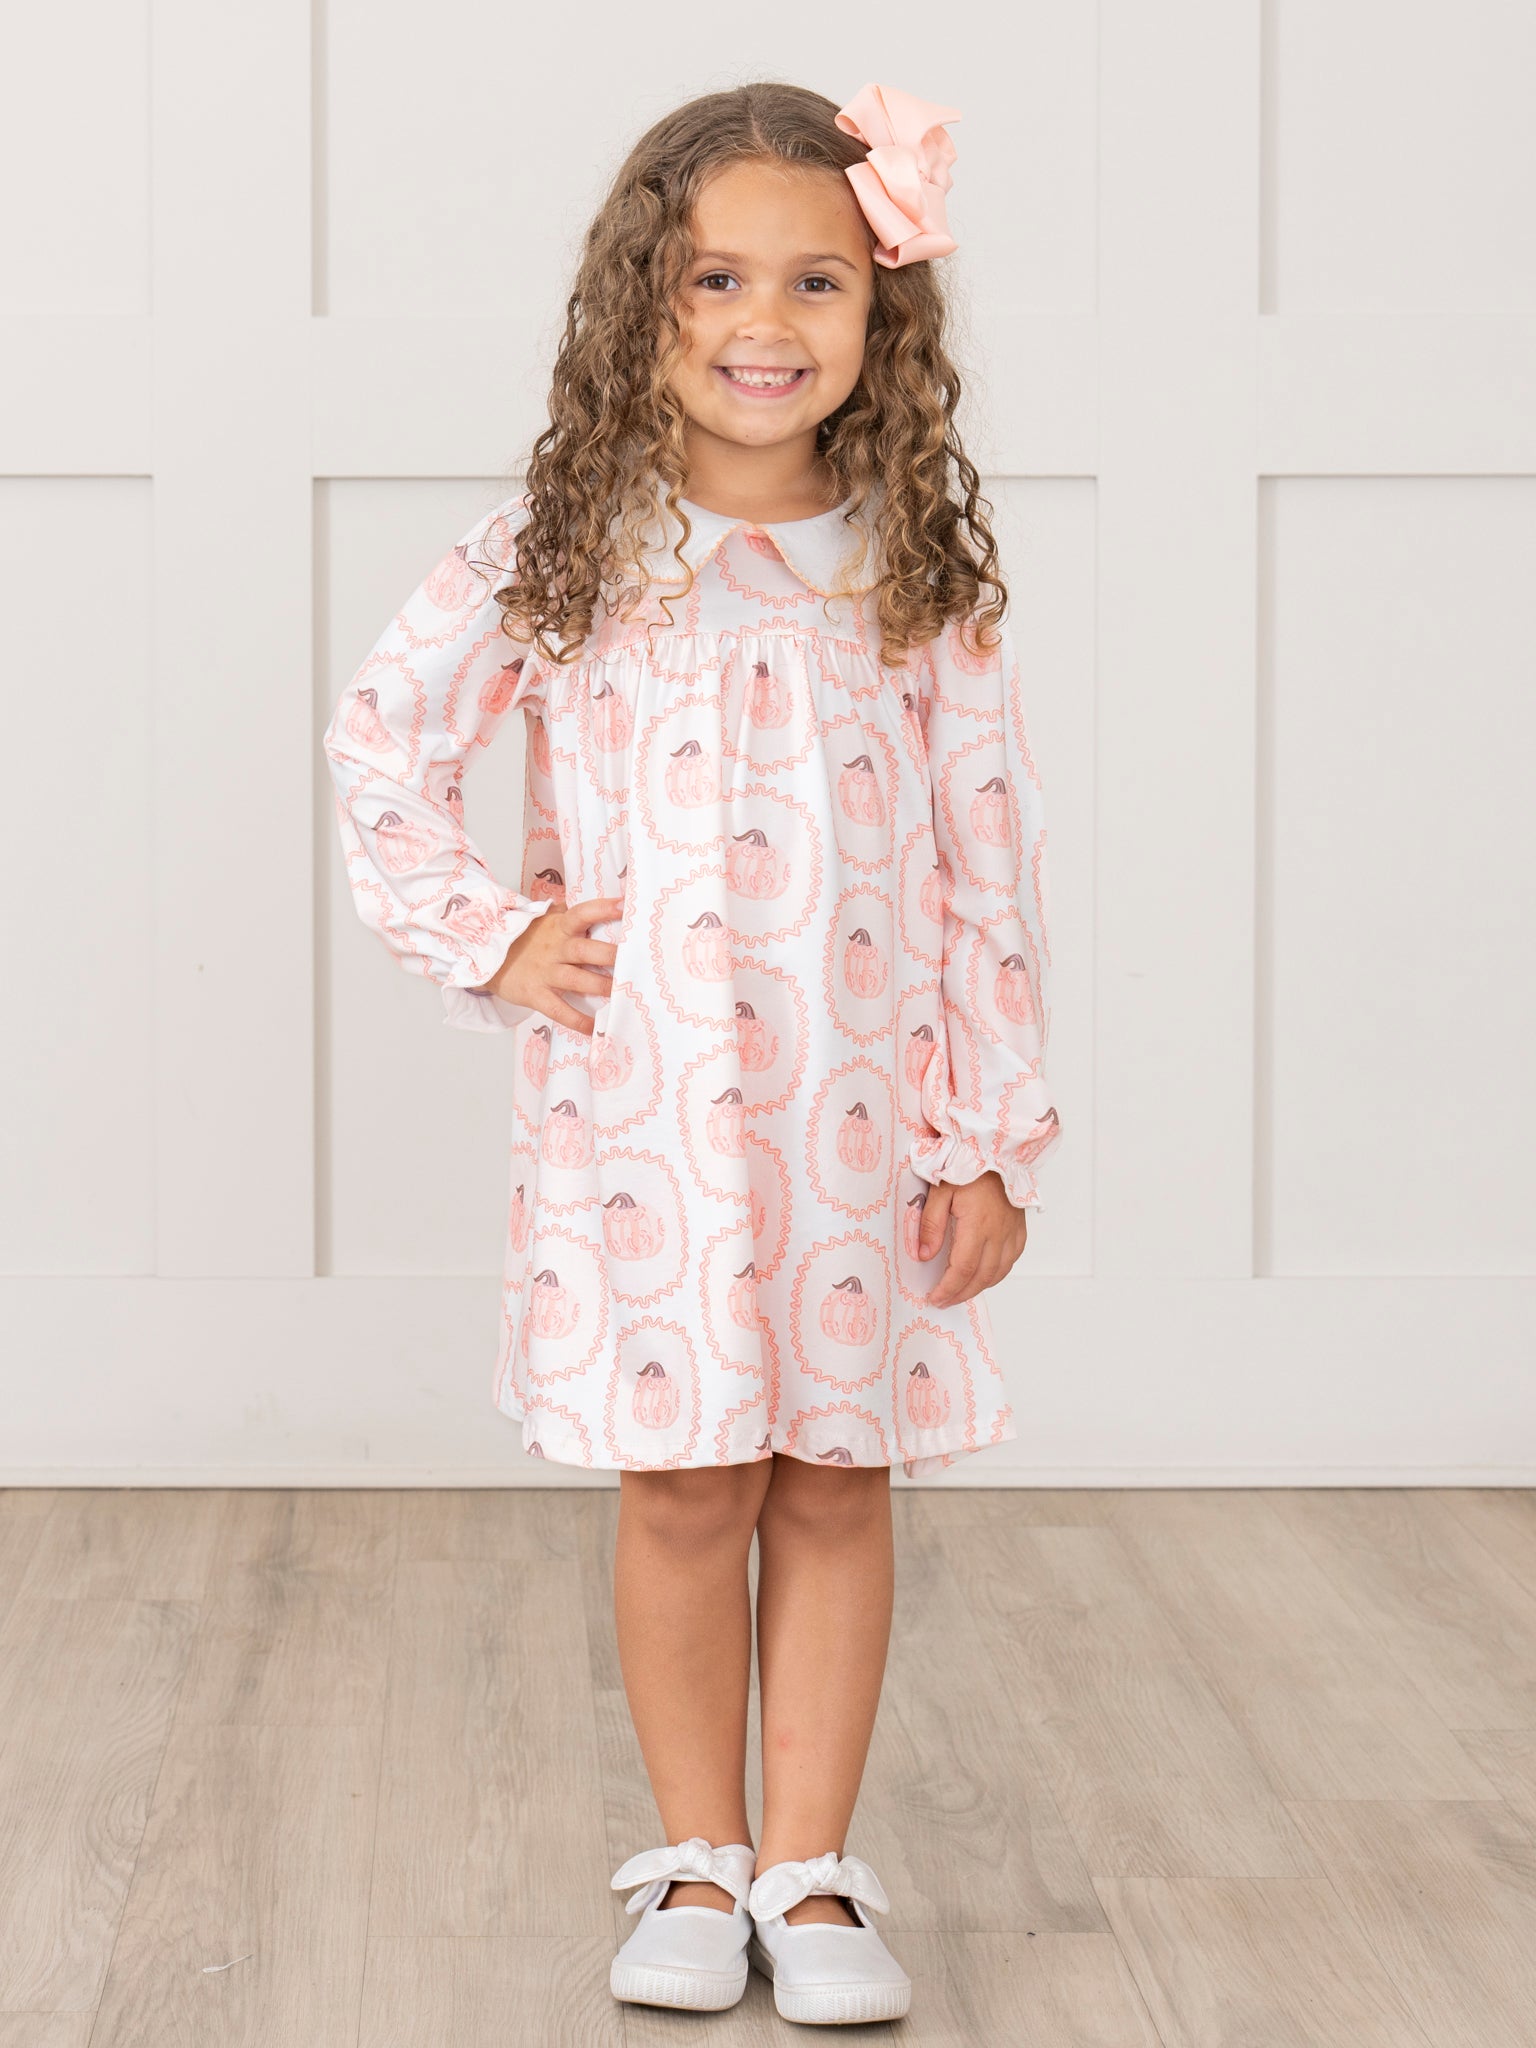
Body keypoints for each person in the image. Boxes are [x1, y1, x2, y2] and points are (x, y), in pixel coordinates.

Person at [321, 77, 1063, 2028]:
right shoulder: (565, 548)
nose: (765, 322)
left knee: (834, 1475)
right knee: (684, 1482)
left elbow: (986, 856)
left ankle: (809, 1874)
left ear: (883, 310)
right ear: (639, 300)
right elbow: (383, 740)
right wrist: (493, 935)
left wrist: (988, 1129)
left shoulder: (914, 569)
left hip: (866, 1120)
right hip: (644, 1115)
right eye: (716, 278)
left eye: (817, 280)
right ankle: (697, 1857)